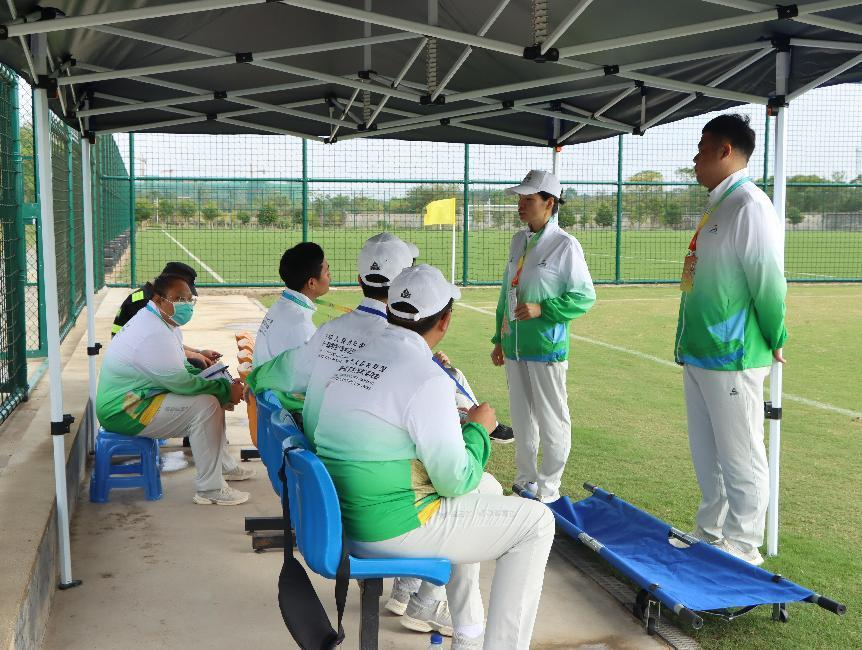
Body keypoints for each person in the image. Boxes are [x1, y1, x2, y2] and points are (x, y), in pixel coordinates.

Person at [311, 264, 555, 650]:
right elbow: (454, 480)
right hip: (389, 527)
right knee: (537, 522)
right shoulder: (427, 378)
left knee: (488, 488)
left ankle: (467, 633)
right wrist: (478, 429)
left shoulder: (353, 360)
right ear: (445, 320)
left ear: (390, 308)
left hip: (346, 517)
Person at [676, 114, 787, 566]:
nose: (695, 159)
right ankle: (709, 530)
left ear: (725, 151)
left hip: (733, 354)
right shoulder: (718, 205)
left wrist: (776, 335)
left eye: (702, 149)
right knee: (708, 454)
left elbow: (768, 281)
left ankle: (743, 544)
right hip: (699, 352)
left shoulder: (750, 206)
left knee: (740, 453)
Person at [96, 274, 253, 506]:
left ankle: (223, 466)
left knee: (211, 398)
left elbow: (179, 365)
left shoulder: (162, 321)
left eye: (189, 299)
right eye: (179, 299)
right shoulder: (153, 332)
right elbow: (181, 382)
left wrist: (220, 384)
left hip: (140, 397)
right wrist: (224, 390)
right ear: (159, 299)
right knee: (208, 405)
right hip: (124, 409)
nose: (186, 305)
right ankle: (210, 489)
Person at [490, 170, 596, 504]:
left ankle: (549, 489)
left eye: (529, 199)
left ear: (550, 203)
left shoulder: (565, 245)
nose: (520, 205)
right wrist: (499, 339)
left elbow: (584, 296)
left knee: (553, 421)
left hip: (546, 349)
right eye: (520, 199)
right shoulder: (518, 240)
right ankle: (524, 481)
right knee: (522, 420)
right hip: (514, 348)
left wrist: (543, 309)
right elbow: (506, 291)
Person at [111, 261, 220, 370]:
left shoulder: (149, 295)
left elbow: (166, 343)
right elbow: (154, 346)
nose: (186, 302)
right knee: (197, 365)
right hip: (129, 362)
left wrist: (198, 352)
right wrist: (194, 355)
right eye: (180, 298)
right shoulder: (146, 301)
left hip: (140, 353)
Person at [253, 242, 331, 369]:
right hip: (275, 381)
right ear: (312, 283)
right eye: (327, 272)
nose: (330, 276)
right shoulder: (301, 326)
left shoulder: (281, 306)